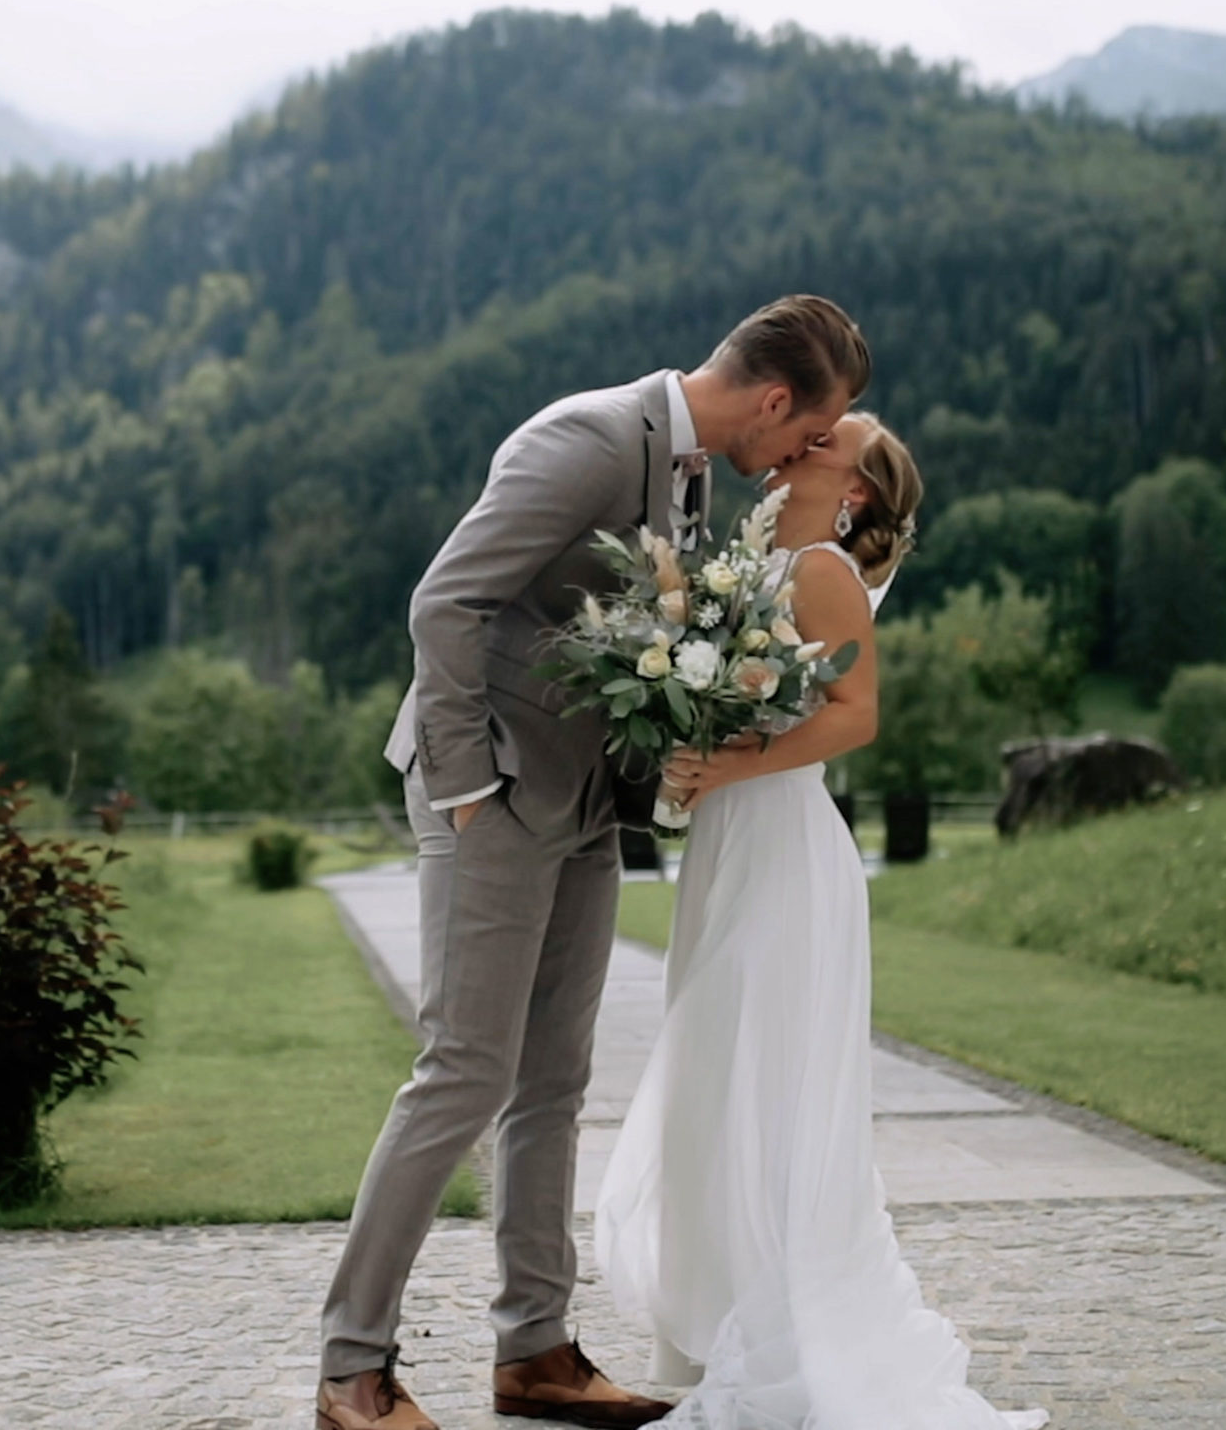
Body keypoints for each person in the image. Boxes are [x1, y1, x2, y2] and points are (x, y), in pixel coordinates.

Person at [318, 296, 874, 1430]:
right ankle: (350, 1370)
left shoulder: (689, 469)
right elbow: (447, 600)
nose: (803, 457)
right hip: (497, 792)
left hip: (580, 804)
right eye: (811, 432)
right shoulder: (587, 437)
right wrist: (469, 787)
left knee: (554, 1083)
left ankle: (534, 1353)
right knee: (464, 1071)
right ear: (774, 402)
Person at [597, 413, 1050, 1428]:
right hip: (731, 840)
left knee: (772, 1086)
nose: (804, 442)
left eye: (828, 442)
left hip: (787, 849)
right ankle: (732, 1323)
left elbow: (855, 713)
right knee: (720, 1074)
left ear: (853, 492)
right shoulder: (752, 557)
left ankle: (792, 1336)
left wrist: (727, 765)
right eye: (807, 432)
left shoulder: (822, 570)